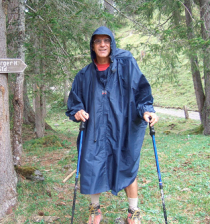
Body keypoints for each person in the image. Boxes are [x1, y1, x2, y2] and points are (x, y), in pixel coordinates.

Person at [65, 26, 158, 224]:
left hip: (123, 127)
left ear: (112, 43)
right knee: (91, 165)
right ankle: (95, 211)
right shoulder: (84, 75)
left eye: (106, 41)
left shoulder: (126, 64)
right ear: (92, 45)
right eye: (98, 41)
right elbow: (75, 102)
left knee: (127, 165)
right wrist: (78, 111)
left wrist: (147, 110)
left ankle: (133, 212)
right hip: (95, 130)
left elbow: (141, 91)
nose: (102, 45)